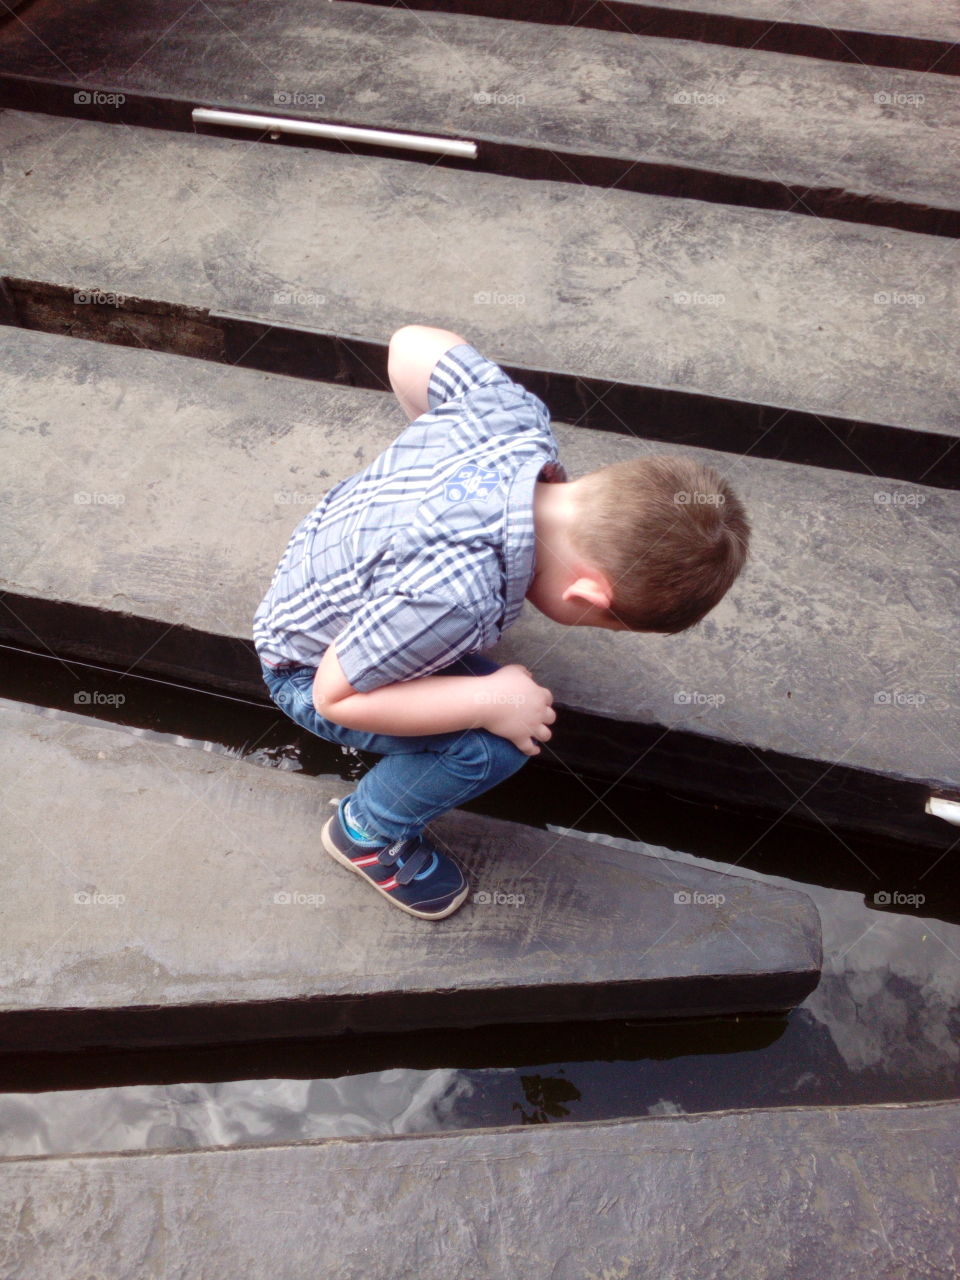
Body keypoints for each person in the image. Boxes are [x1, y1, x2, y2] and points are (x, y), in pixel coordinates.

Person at [254, 325, 750, 920]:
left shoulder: (514, 419)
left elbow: (410, 344)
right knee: (494, 747)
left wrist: (426, 449)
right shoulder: (455, 601)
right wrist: (487, 701)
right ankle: (364, 832)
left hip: (322, 560)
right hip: (305, 668)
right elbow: (334, 697)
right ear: (587, 593)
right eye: (604, 625)